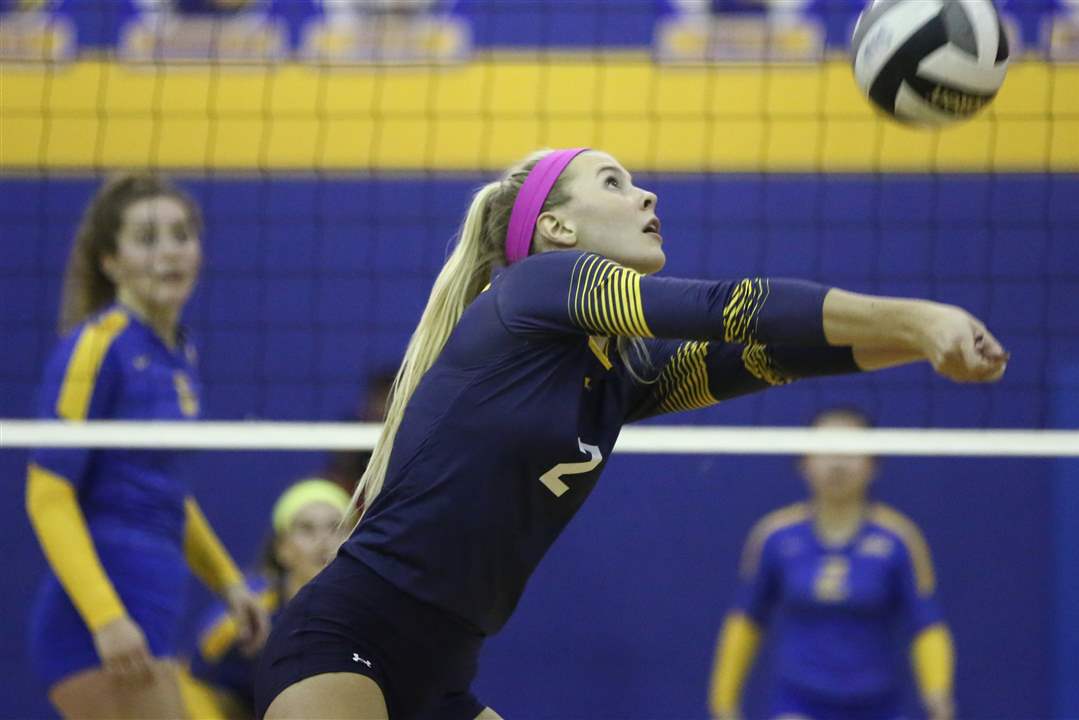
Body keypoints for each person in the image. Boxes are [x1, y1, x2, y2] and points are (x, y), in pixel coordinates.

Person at [254, 147, 1007, 720]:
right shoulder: (534, 287)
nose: (644, 193)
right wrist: (917, 315)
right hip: (347, 637)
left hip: (445, 668)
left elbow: (775, 352)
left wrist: (923, 343)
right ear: (555, 227)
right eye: (611, 183)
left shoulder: (622, 374)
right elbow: (733, 307)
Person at [25, 173, 270, 719]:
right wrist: (106, 618)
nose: (169, 252)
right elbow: (47, 495)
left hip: (148, 615)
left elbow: (163, 494)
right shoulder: (96, 347)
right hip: (94, 627)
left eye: (181, 235)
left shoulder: (179, 357)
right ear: (111, 260)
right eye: (147, 237)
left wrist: (230, 584)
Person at [708, 407, 956, 720]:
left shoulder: (899, 539)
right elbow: (745, 621)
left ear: (873, 464)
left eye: (850, 451)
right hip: (799, 702)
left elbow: (926, 625)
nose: (837, 463)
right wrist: (723, 702)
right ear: (804, 462)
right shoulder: (774, 536)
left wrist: (938, 697)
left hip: (878, 705)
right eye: (826, 450)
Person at [181, 478, 352, 719]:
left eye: (336, 527)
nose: (324, 540)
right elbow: (196, 683)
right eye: (306, 529)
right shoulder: (248, 616)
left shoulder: (377, 612)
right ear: (282, 548)